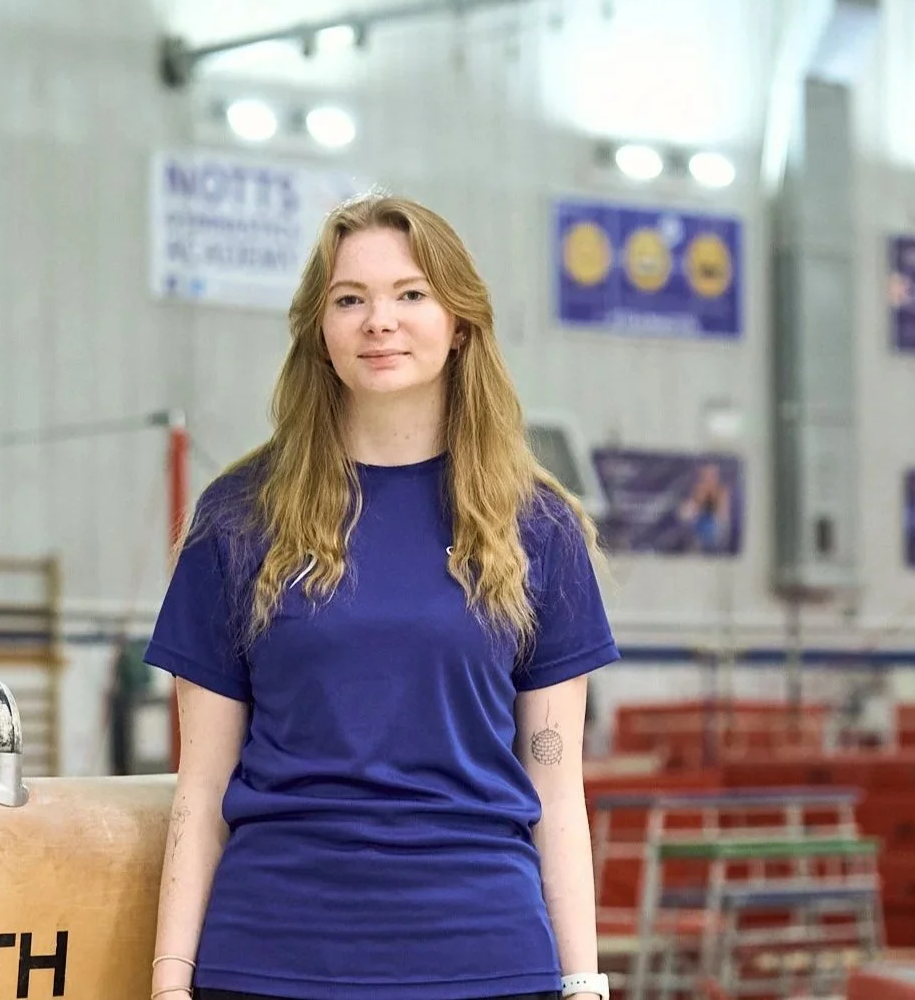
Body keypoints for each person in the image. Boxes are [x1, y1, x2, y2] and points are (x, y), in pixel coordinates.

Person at [143, 193, 620, 1000]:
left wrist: (583, 985)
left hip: (484, 957)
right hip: (274, 956)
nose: (380, 321)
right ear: (320, 333)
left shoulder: (536, 527)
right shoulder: (238, 519)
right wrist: (168, 983)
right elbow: (200, 788)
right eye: (350, 300)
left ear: (459, 323)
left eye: (411, 294)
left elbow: (556, 789)